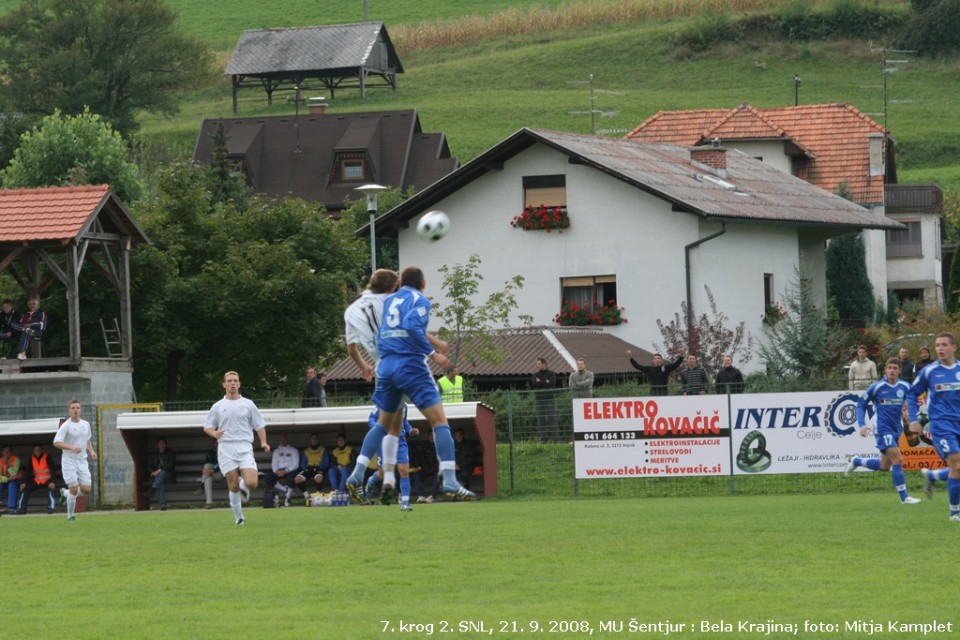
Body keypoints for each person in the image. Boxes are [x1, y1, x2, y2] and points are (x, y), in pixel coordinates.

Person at [345, 266, 476, 505]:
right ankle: (449, 478)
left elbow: (390, 330)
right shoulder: (420, 300)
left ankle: (357, 473)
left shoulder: (385, 301)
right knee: (439, 421)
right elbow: (412, 326)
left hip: (385, 367)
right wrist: (434, 353)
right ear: (423, 284)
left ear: (400, 283)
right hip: (410, 365)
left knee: (383, 424)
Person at [845, 358, 921, 504]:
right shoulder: (877, 387)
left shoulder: (905, 386)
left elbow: (913, 403)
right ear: (885, 370)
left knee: (884, 466)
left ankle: (856, 460)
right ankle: (904, 497)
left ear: (899, 370)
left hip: (896, 429)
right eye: (889, 368)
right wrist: (862, 424)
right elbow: (860, 405)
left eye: (895, 368)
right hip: (881, 428)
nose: (892, 370)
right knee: (898, 459)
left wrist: (910, 415)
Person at [203, 371, 270, 526]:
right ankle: (239, 518)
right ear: (224, 384)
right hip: (226, 448)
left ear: (239, 384)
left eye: (235, 381)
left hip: (244, 446)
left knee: (252, 483)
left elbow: (259, 425)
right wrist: (214, 432)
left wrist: (264, 442)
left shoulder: (248, 404)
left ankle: (243, 485)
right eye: (229, 381)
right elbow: (207, 426)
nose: (232, 383)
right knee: (232, 485)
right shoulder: (218, 406)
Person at [907, 333, 960, 520]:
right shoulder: (930, 371)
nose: (940, 348)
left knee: (957, 468)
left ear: (953, 347)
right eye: (937, 345)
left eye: (944, 345)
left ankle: (933, 476)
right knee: (958, 465)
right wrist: (913, 419)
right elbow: (912, 394)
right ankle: (955, 513)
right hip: (941, 425)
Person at [344, 269, 400, 382]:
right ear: (389, 289)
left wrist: (364, 366)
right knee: (428, 398)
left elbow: (352, 349)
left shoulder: (351, 310)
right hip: (404, 361)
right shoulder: (389, 301)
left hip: (383, 369)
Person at [364, 406, 419, 511]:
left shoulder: (404, 406)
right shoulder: (382, 403)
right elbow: (371, 420)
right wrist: (380, 428)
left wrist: (411, 430)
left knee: (404, 470)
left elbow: (405, 422)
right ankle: (371, 481)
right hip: (384, 442)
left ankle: (405, 503)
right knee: (382, 474)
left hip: (400, 442)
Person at [53, 400, 98, 521]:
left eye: (77, 408)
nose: (75, 410)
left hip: (82, 460)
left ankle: (65, 493)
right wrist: (71, 447)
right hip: (69, 460)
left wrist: (92, 451)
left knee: (86, 489)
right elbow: (56, 442)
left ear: (80, 409)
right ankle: (70, 516)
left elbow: (87, 439)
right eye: (73, 408)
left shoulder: (85, 424)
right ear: (69, 410)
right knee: (74, 488)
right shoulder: (66, 425)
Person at [18, 444, 61, 514]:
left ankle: (51, 508)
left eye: (39, 450)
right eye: (35, 450)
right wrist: (24, 482)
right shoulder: (31, 458)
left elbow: (53, 470)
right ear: (33, 451)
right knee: (25, 488)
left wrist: (53, 481)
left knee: (51, 488)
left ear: (41, 450)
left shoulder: (47, 457)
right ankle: (22, 509)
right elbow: (28, 471)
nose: (37, 451)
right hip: (37, 480)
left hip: (47, 480)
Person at [265, 434, 301, 507]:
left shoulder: (294, 450)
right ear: (279, 441)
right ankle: (286, 490)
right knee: (267, 478)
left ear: (287, 440)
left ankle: (287, 499)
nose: (283, 441)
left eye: (284, 440)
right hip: (278, 470)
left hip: (290, 470)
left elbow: (296, 465)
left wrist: (286, 471)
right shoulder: (276, 451)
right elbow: (274, 463)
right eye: (281, 440)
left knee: (291, 479)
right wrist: (276, 471)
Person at [531, 357, 560, 443]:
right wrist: (545, 381)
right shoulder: (535, 375)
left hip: (549, 399)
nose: (537, 365)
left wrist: (541, 382)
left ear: (544, 364)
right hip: (539, 399)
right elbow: (535, 384)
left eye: (539, 364)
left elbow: (551, 384)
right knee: (541, 419)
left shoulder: (551, 374)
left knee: (552, 418)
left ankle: (556, 439)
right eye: (537, 364)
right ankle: (543, 439)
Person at [145, 437, 176, 511]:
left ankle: (151, 490)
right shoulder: (154, 454)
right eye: (160, 443)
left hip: (169, 476)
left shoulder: (171, 453)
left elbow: (170, 466)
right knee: (160, 482)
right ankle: (162, 505)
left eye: (163, 443)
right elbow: (149, 466)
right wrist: (152, 472)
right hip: (157, 477)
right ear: (157, 445)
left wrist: (159, 471)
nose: (161, 445)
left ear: (166, 444)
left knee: (162, 473)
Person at [294, 433, 329, 497]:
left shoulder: (323, 449)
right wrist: (306, 468)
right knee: (297, 479)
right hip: (308, 469)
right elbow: (302, 464)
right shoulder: (306, 451)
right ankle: (306, 495)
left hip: (318, 468)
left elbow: (326, 463)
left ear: (318, 440)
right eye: (312, 439)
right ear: (310, 440)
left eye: (315, 439)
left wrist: (319, 467)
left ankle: (318, 494)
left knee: (319, 479)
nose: (314, 440)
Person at [411, 431, 439, 504]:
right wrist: (426, 469)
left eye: (433, 436)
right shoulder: (425, 446)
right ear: (428, 437)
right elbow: (422, 459)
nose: (432, 437)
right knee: (416, 475)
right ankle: (421, 496)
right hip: (426, 469)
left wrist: (435, 469)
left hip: (437, 469)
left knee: (439, 475)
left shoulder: (439, 446)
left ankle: (432, 496)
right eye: (430, 436)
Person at [194, 442, 222, 509]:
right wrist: (203, 470)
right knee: (208, 479)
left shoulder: (225, 451)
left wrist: (213, 471)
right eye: (215, 442)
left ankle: (201, 486)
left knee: (207, 475)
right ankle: (209, 503)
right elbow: (205, 463)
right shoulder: (210, 452)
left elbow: (223, 465)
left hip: (222, 473)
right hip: (211, 474)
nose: (217, 443)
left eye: (218, 442)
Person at [0, 445, 24, 515]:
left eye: (8, 452)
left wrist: (7, 464)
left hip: (16, 480)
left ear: (10, 452)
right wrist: (6, 479)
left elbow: (13, 473)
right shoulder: (0, 461)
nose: (6, 453)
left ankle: (12, 508)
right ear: (2, 452)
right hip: (6, 480)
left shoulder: (16, 459)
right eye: (4, 451)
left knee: (11, 485)